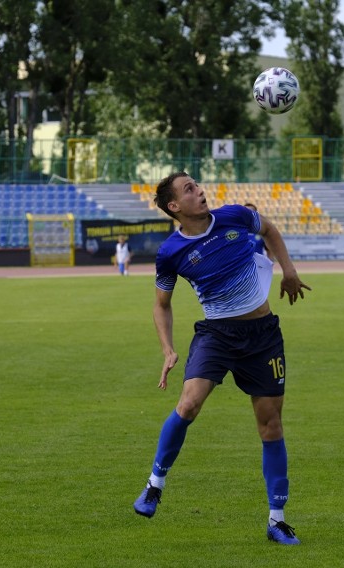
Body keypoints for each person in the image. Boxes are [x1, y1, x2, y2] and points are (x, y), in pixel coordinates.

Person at [133, 172, 311, 545]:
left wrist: (290, 271)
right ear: (174, 207)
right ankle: (154, 484)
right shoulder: (170, 253)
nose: (199, 192)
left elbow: (271, 230)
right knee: (188, 404)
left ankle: (277, 521)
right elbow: (161, 306)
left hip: (262, 336)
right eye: (189, 190)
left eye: (197, 185)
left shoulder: (233, 216)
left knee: (270, 425)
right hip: (217, 335)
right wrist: (167, 348)